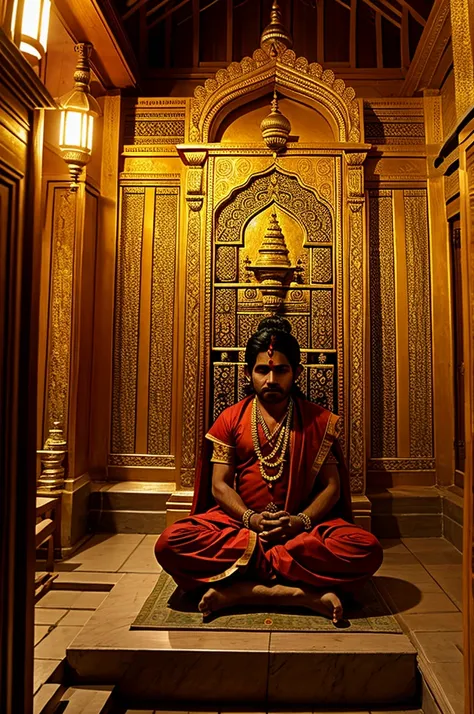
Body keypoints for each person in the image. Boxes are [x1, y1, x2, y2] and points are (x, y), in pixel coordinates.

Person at [155, 316, 382, 623]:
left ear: (297, 373)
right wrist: (251, 519)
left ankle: (239, 590)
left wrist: (299, 522)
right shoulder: (231, 419)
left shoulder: (317, 420)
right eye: (263, 370)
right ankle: (302, 594)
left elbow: (332, 487)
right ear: (248, 373)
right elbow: (219, 485)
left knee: (366, 549)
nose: (271, 380)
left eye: (281, 370)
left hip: (301, 528)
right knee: (170, 544)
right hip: (242, 527)